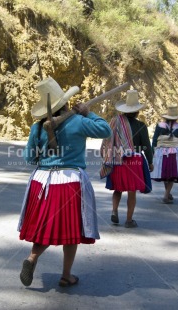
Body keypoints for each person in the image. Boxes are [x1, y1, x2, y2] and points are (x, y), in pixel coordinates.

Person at [17, 77, 111, 287]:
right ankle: (66, 275)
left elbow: (29, 159)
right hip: (70, 182)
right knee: (72, 230)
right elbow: (106, 130)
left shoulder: (38, 127)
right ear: (65, 102)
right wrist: (88, 112)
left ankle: (32, 257)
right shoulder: (78, 121)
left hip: (41, 182)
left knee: (44, 226)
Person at [100, 89, 153, 228]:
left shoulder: (115, 122)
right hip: (134, 161)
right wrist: (151, 161)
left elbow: (107, 140)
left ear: (123, 110)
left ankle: (114, 210)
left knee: (118, 189)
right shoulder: (141, 126)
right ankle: (129, 220)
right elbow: (146, 145)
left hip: (118, 161)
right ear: (137, 111)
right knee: (131, 192)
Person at [151, 104, 178, 204]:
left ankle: (167, 193)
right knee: (172, 175)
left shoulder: (160, 126)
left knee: (165, 174)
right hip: (175, 154)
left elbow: (155, 140)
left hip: (162, 153)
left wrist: (153, 151)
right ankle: (166, 195)